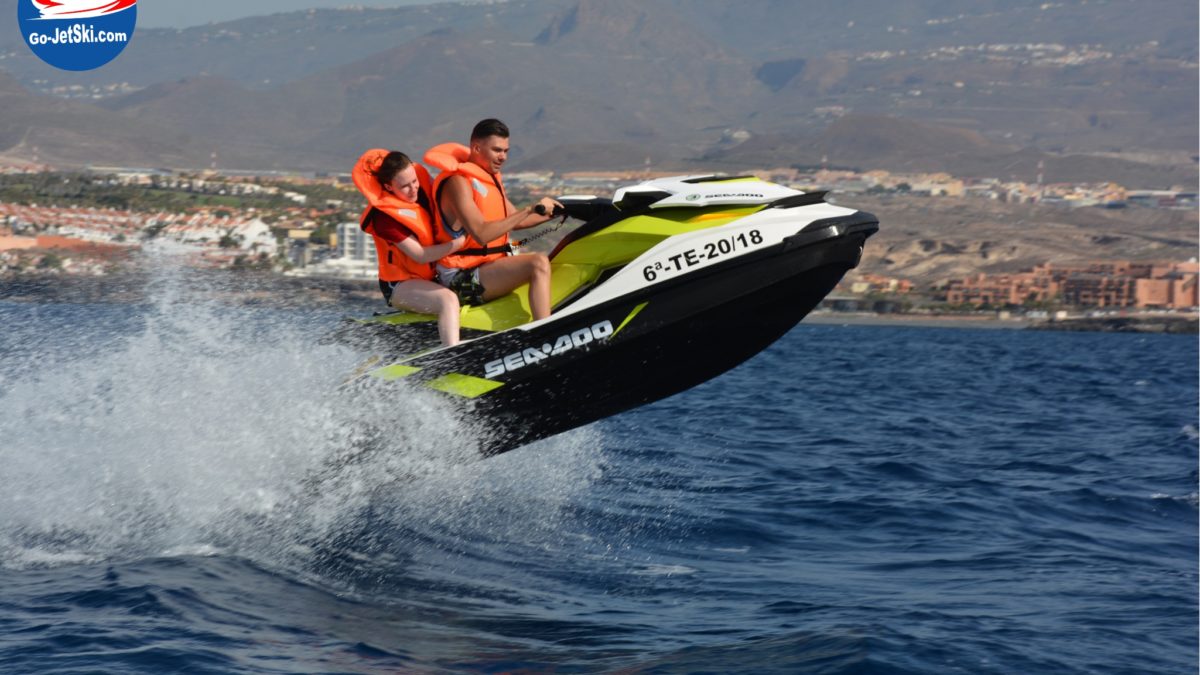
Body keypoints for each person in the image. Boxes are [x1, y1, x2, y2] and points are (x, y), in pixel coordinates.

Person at [424, 119, 561, 320]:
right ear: (477, 147)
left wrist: (558, 212)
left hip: (486, 267)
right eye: (497, 150)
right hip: (459, 279)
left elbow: (518, 221)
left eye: (506, 151)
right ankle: (547, 335)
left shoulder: (489, 180)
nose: (503, 157)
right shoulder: (457, 182)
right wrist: (530, 208)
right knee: (537, 263)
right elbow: (481, 234)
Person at [351, 148, 468, 346]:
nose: (414, 189)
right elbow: (420, 256)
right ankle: (452, 355)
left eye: (414, 181)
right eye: (405, 186)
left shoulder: (419, 192)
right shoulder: (384, 218)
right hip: (398, 286)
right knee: (447, 300)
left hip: (430, 278)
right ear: (388, 187)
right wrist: (457, 244)